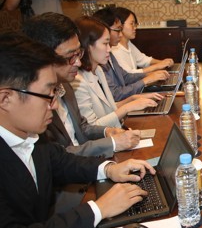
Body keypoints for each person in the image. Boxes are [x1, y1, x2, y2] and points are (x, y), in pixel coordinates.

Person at [0, 31, 155, 228]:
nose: (54, 105)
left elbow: (62, 162)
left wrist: (109, 168)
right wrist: (98, 209)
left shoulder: (31, 136)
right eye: (48, 94)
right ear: (6, 98)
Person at [23, 12, 140, 158]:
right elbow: (59, 157)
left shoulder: (66, 86)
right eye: (71, 56)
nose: (78, 62)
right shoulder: (32, 102)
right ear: (43, 57)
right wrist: (113, 143)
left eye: (78, 53)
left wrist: (107, 131)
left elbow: (82, 127)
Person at [71, 16, 162, 128]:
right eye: (105, 44)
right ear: (87, 45)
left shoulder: (98, 70)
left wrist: (133, 99)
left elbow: (109, 108)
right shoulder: (78, 81)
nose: (109, 49)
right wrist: (128, 107)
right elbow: (92, 128)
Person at [93, 7, 169, 101]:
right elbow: (115, 94)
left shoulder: (109, 52)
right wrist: (145, 80)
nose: (120, 35)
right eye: (118, 30)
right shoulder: (101, 58)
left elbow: (125, 76)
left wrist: (149, 75)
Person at [111, 7, 174, 74]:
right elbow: (130, 74)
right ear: (119, 25)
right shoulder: (115, 49)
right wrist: (157, 66)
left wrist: (164, 62)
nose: (135, 27)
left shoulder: (128, 43)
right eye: (131, 24)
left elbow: (143, 60)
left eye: (135, 24)